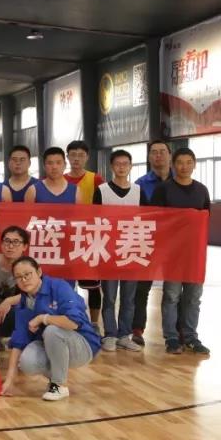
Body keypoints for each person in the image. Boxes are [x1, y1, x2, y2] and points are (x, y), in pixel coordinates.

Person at [1, 256, 101, 401]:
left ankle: (59, 385)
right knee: (27, 362)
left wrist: (43, 318)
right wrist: (9, 381)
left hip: (82, 345)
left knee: (52, 330)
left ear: (39, 272)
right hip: (50, 345)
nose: (24, 280)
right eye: (18, 277)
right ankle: (56, 377)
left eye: (27, 274)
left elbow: (74, 322)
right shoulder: (24, 302)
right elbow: (18, 341)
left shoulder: (59, 287)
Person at [151, 147, 211, 356]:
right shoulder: (164, 189)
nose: (184, 167)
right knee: (171, 296)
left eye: (188, 162)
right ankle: (172, 338)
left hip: (195, 253)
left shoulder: (201, 190)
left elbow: (206, 219)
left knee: (194, 297)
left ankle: (191, 337)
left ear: (194, 164)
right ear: (172, 165)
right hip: (172, 253)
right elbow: (155, 219)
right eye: (179, 162)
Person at [93, 150, 147, 353]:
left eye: (125, 163)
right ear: (111, 167)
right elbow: (94, 220)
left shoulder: (139, 191)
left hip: (131, 249)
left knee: (129, 297)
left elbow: (148, 220)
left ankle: (124, 335)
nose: (122, 167)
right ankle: (110, 334)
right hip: (108, 251)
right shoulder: (102, 190)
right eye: (118, 164)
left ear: (131, 166)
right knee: (109, 296)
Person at [132, 139, 173, 346]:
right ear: (149, 157)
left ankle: (175, 332)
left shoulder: (181, 181)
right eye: (154, 152)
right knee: (141, 288)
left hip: (175, 244)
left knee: (174, 290)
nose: (158, 155)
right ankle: (137, 329)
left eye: (162, 151)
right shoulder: (140, 185)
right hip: (148, 242)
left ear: (169, 155)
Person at [64, 140, 105, 325]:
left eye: (81, 155)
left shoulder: (96, 179)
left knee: (93, 285)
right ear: (67, 157)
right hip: (66, 238)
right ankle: (69, 319)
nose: (76, 159)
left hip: (89, 237)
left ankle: (94, 324)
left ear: (87, 157)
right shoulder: (61, 179)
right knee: (66, 284)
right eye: (73, 155)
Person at [0, 226, 30, 356]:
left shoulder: (28, 266)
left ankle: (24, 349)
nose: (10, 246)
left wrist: (9, 301)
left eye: (16, 242)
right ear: (1, 244)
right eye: (7, 241)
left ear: (24, 247)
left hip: (14, 311)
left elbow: (35, 292)